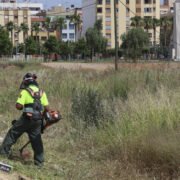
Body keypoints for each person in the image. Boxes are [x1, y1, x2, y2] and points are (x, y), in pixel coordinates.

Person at [0, 73, 50, 166]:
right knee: (37, 141)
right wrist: (41, 117)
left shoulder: (25, 92)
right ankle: (39, 163)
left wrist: (19, 104)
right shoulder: (42, 92)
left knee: (13, 133)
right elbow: (47, 109)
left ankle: (3, 155)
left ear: (26, 82)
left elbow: (19, 106)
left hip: (26, 118)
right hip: (38, 121)